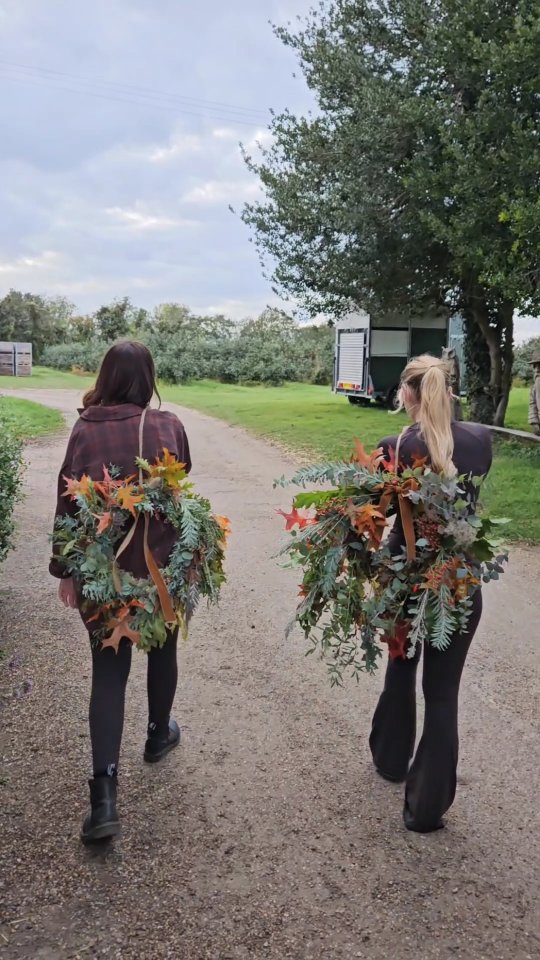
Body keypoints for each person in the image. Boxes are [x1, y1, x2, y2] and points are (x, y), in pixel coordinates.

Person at [49, 341, 192, 843]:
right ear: (148, 378)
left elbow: (67, 502)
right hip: (160, 569)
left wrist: (65, 569)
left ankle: (104, 797)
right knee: (164, 646)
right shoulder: (168, 425)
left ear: (106, 376)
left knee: (108, 673)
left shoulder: (85, 430)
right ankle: (158, 735)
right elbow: (181, 487)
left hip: (103, 573)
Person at [369, 355, 492, 833]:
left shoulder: (392, 446)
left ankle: (390, 758)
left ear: (408, 393)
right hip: (459, 580)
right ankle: (426, 808)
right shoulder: (481, 441)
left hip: (406, 577)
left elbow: (370, 517)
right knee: (443, 694)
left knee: (401, 667)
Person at [527, 349, 540, 436]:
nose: (537, 370)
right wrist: (534, 421)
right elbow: (533, 403)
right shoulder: (535, 387)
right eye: (535, 366)